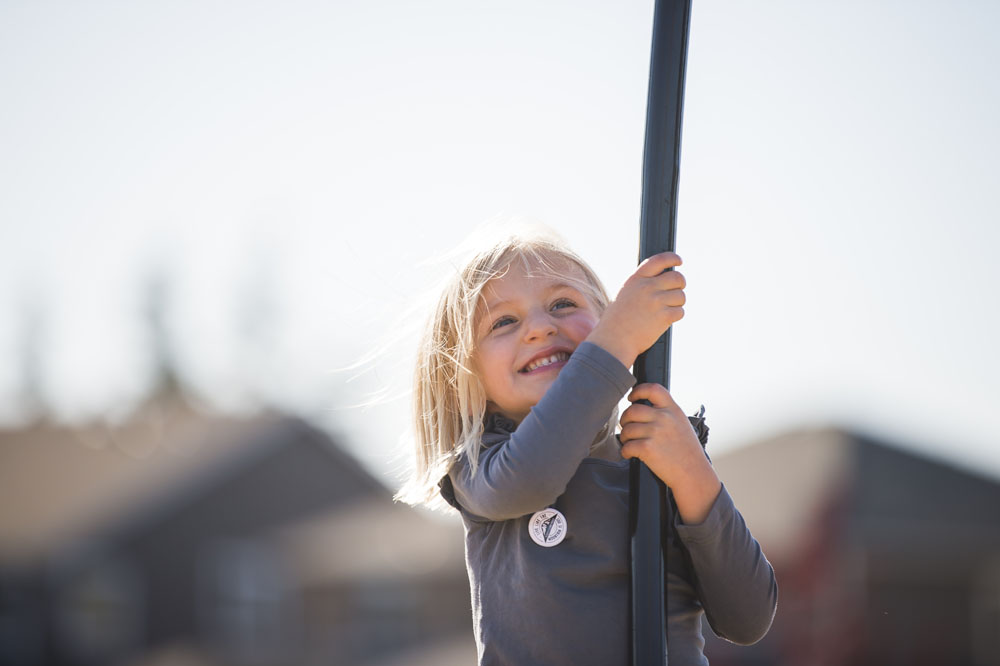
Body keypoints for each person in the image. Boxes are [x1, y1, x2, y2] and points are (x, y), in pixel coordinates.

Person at [398, 228, 777, 665]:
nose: (541, 327)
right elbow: (530, 478)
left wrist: (692, 471)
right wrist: (616, 342)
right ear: (464, 375)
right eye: (504, 321)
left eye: (563, 304)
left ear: (604, 318)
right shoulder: (478, 464)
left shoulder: (659, 462)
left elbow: (747, 618)